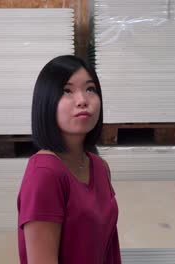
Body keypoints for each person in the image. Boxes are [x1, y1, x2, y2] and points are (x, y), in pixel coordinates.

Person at [17, 55, 121, 264]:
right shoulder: (45, 174)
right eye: (67, 91)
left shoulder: (100, 167)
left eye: (90, 89)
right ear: (46, 102)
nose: (82, 100)